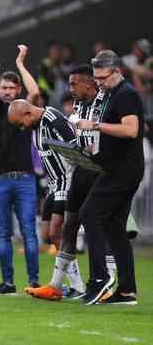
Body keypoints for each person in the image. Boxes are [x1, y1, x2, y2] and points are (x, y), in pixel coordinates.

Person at [26, 64, 112, 301]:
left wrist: (22, 64)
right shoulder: (78, 106)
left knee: (101, 229)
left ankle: (106, 283)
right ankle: (67, 285)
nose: (71, 88)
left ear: (89, 82)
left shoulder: (102, 103)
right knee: (61, 231)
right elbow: (77, 141)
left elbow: (78, 141)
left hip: (85, 175)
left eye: (74, 84)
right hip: (67, 180)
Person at [77, 50, 144, 305]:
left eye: (103, 78)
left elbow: (131, 129)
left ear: (118, 71)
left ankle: (99, 278)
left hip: (123, 171)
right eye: (97, 79)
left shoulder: (126, 94)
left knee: (89, 214)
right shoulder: (111, 93)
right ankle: (127, 291)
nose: (99, 83)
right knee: (115, 227)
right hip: (117, 168)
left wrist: (94, 126)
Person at [7, 98, 87, 299]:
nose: (22, 127)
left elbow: (75, 147)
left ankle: (68, 286)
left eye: (20, 122)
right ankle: (74, 286)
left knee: (57, 232)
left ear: (28, 114)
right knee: (49, 234)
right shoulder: (36, 125)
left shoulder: (53, 119)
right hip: (54, 185)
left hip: (66, 182)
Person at [0, 45, 41, 295]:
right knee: (3, 233)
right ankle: (8, 282)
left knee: (28, 232)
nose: (6, 92)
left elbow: (35, 93)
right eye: (3, 88)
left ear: (18, 90)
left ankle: (34, 282)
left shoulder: (26, 109)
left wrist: (21, 65)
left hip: (24, 179)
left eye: (11, 88)